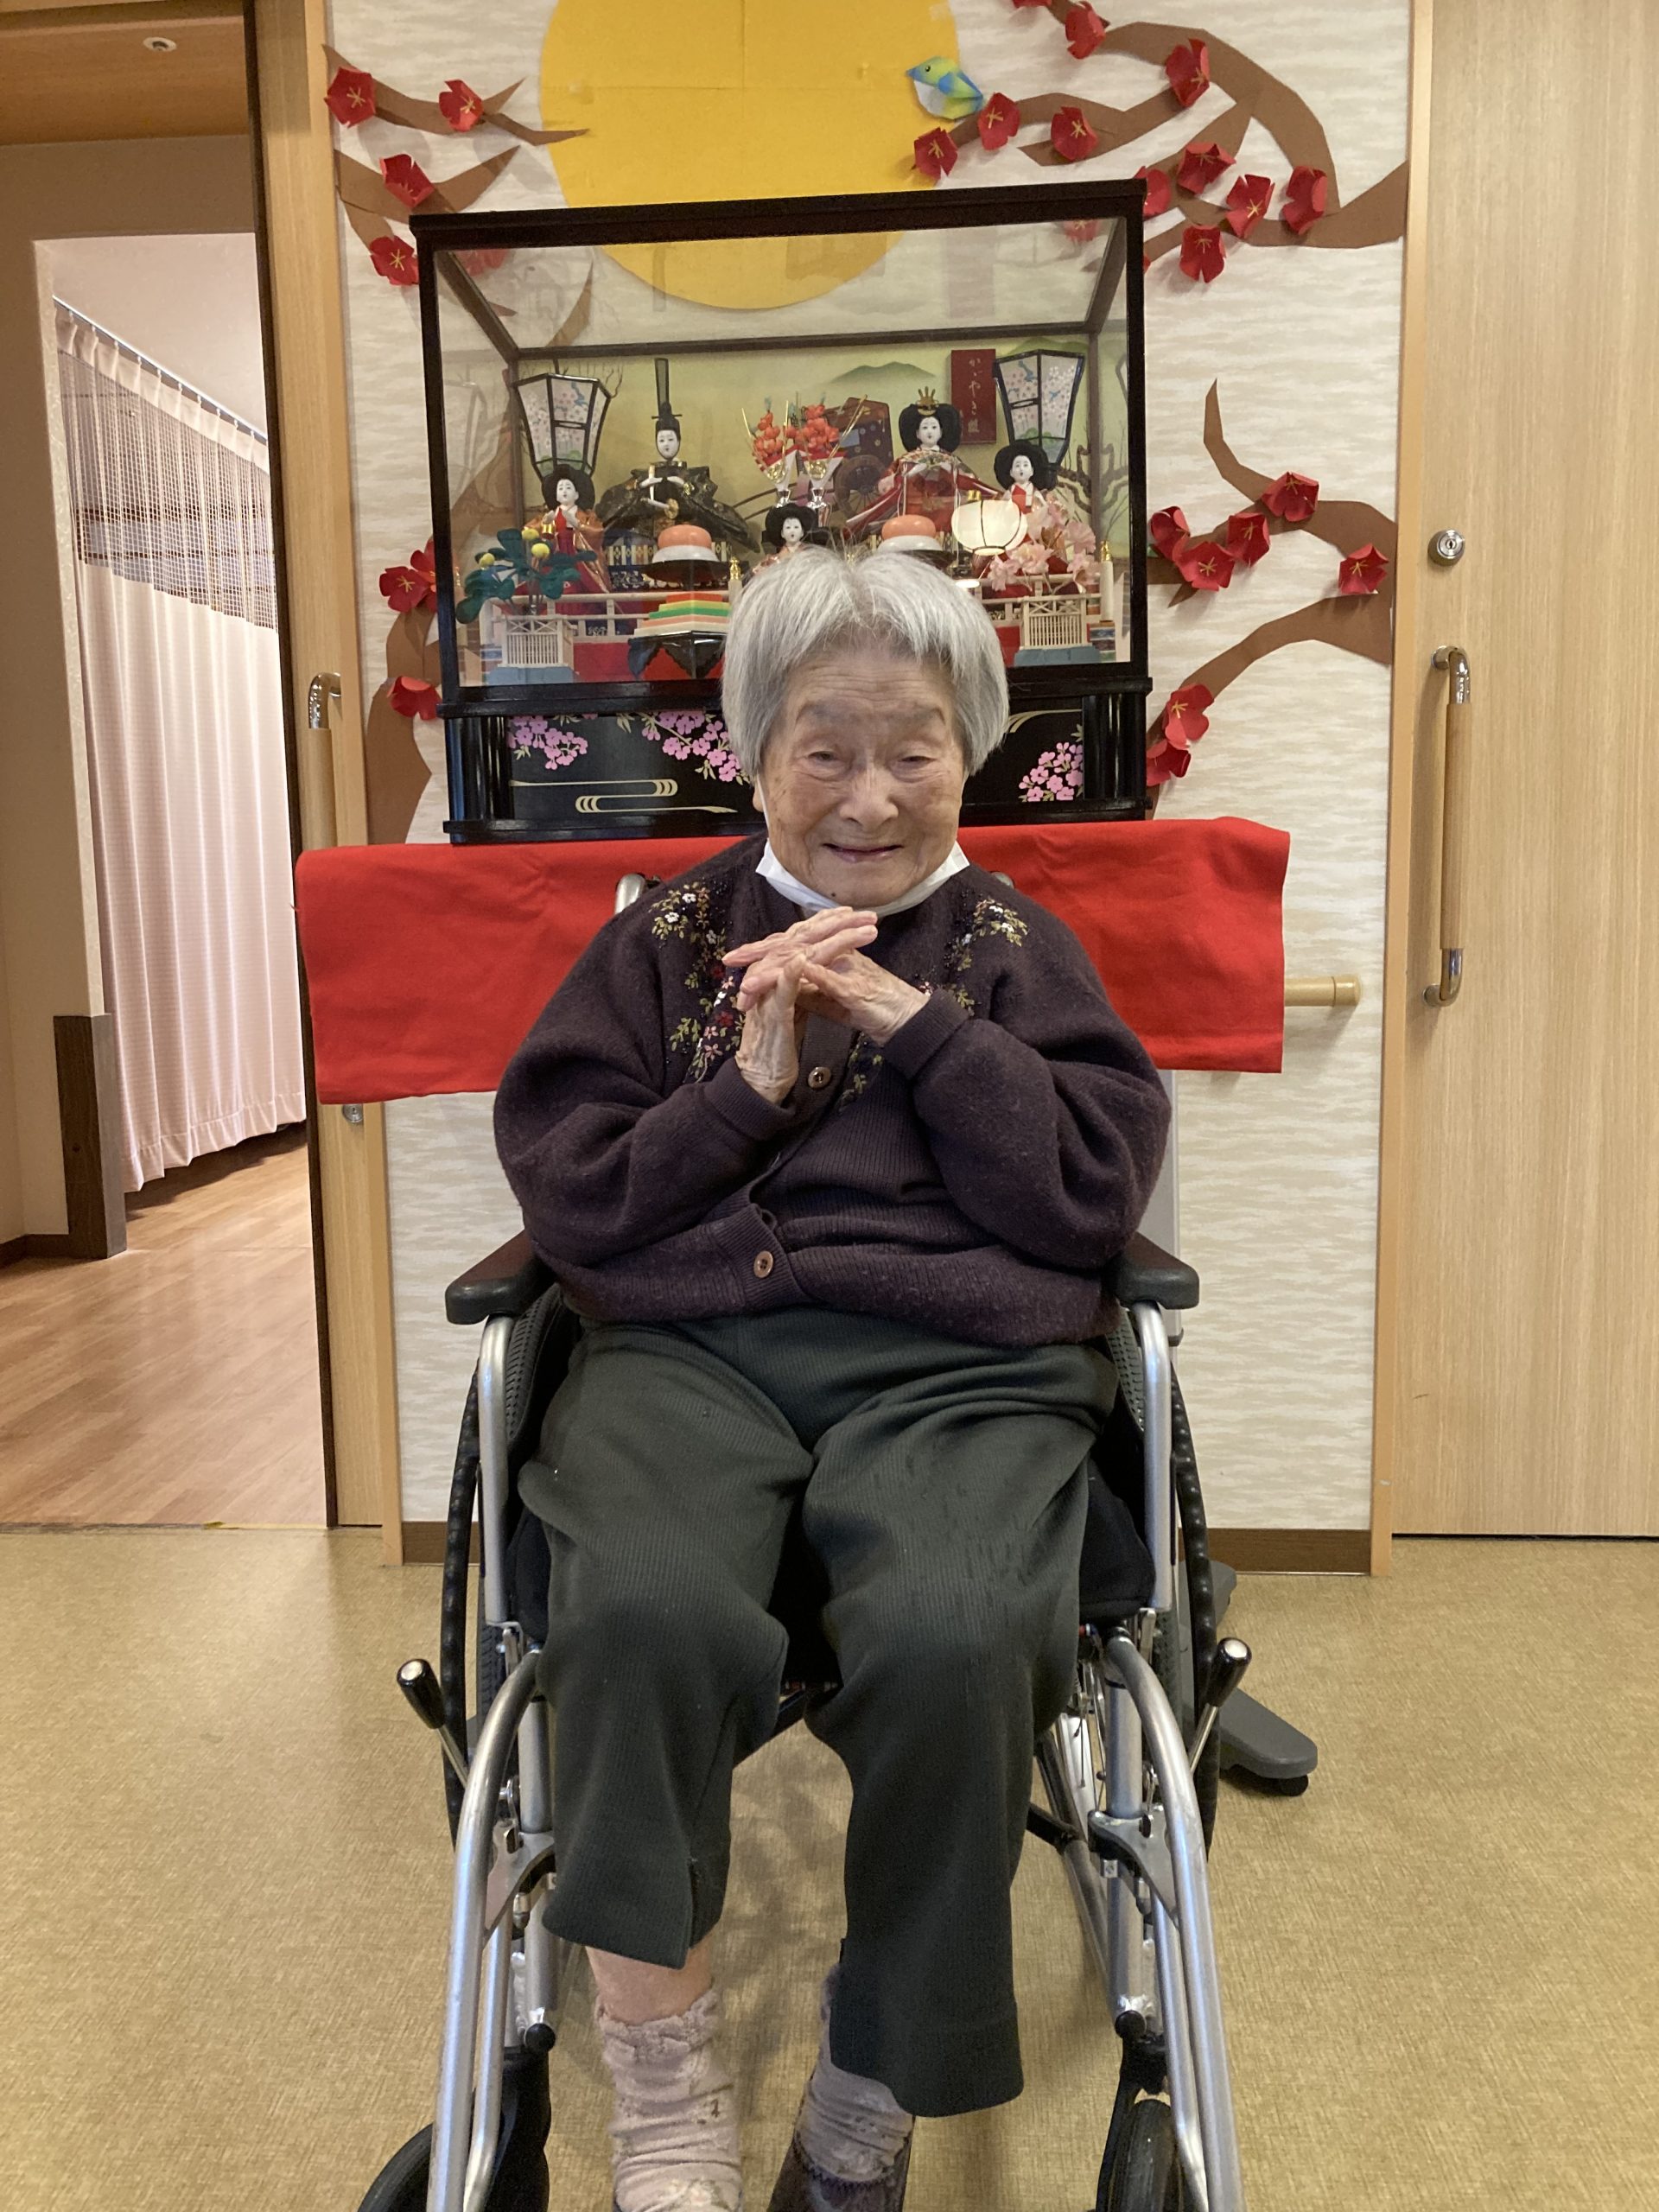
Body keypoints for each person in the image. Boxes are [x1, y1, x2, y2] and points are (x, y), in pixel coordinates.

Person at [493, 549, 1170, 2212]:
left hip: (965, 1371)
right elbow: (572, 1197)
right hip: (687, 1354)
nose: (870, 796)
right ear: (753, 752)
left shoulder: (1015, 947)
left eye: (913, 749)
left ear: (971, 752)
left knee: (957, 1632)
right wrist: (743, 1092)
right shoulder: (665, 942)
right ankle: (663, 2089)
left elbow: (1089, 1198)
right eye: (826, 749)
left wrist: (917, 1028)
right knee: (641, 1605)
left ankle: (869, 2088)